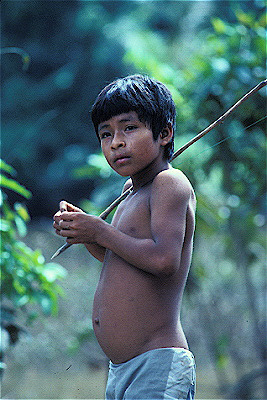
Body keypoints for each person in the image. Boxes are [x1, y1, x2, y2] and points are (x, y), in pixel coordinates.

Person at [53, 74, 196, 399]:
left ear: (164, 133)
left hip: (158, 361)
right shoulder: (130, 191)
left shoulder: (168, 184)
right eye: (106, 134)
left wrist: (101, 230)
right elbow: (122, 258)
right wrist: (86, 234)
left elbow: (163, 261)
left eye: (129, 128)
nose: (116, 142)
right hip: (123, 367)